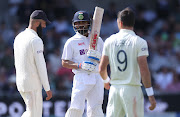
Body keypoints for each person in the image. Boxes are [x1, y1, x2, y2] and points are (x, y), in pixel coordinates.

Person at [99, 8, 156, 117]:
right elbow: (144, 70)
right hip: (132, 89)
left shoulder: (109, 41)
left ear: (119, 22)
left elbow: (101, 68)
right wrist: (150, 94)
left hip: (114, 90)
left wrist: (106, 81)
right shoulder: (139, 42)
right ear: (133, 23)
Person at [61, 11, 104, 117]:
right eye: (78, 23)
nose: (80, 25)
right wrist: (79, 65)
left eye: (83, 23)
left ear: (89, 23)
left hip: (96, 76)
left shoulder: (97, 40)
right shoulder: (71, 42)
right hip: (81, 77)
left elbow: (105, 60)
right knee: (76, 108)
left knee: (96, 108)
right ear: (74, 24)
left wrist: (98, 58)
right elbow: (64, 62)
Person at [14, 10, 52, 117]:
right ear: (37, 23)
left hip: (21, 83)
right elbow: (41, 66)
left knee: (30, 112)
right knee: (34, 115)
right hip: (32, 84)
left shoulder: (18, 37)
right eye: (43, 23)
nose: (44, 27)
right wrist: (47, 88)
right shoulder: (35, 40)